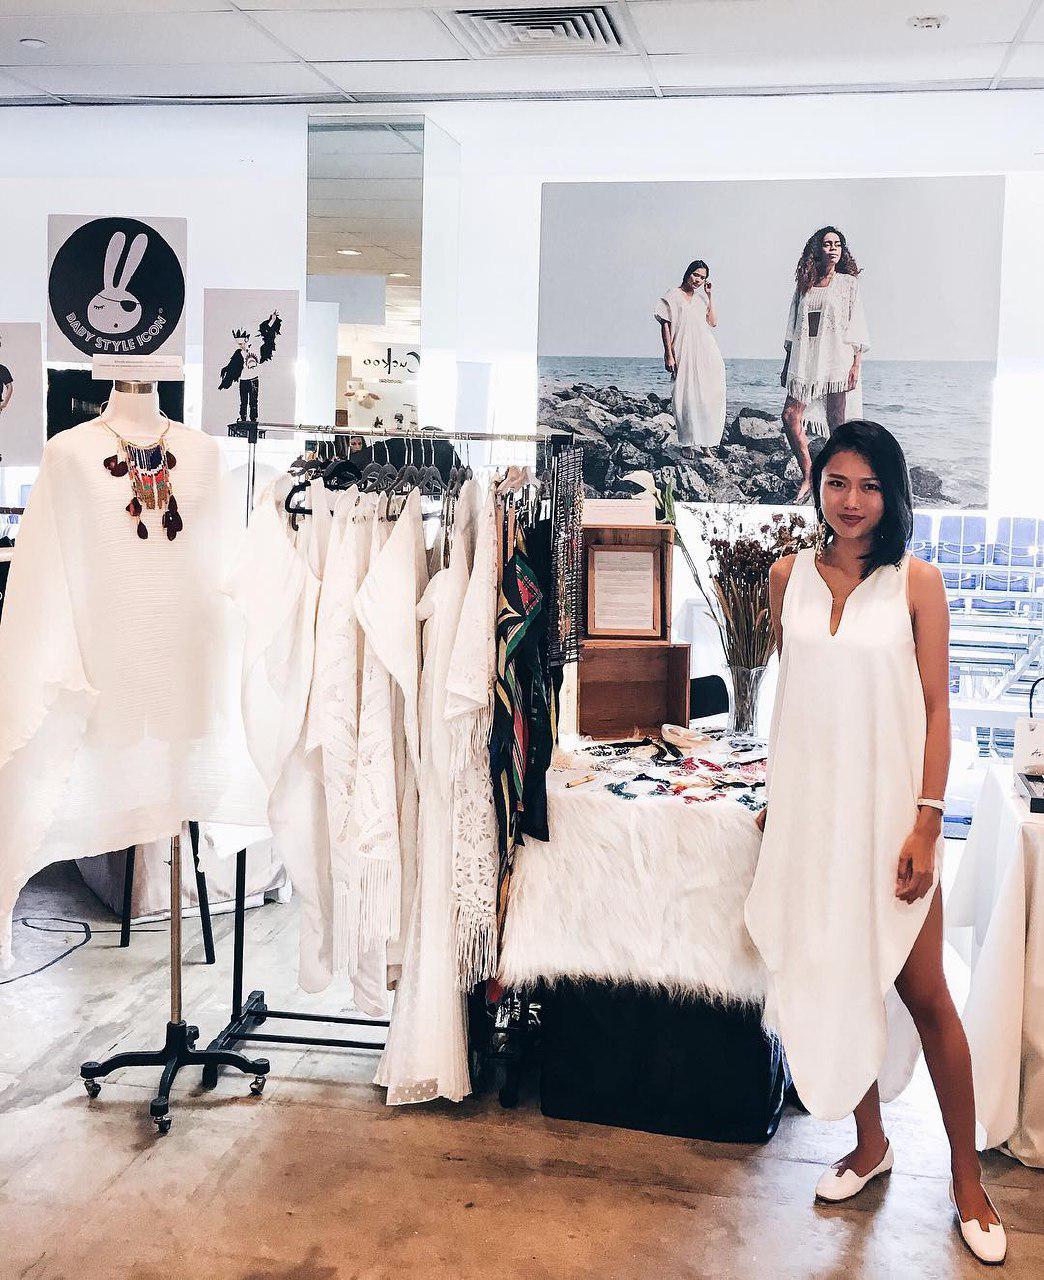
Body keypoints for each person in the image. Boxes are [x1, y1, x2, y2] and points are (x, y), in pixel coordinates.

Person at [744, 421, 1006, 1266]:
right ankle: (870, 1144)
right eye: (836, 483)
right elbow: (797, 700)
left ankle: (967, 1180)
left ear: (892, 494)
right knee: (834, 976)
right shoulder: (785, 576)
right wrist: (780, 800)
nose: (851, 501)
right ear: (817, 486)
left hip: (894, 823)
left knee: (927, 997)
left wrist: (928, 822)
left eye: (868, 485)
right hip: (816, 820)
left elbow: (936, 708)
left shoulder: (916, 583)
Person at [780, 227, 869, 502]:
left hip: (837, 359)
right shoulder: (805, 284)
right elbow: (793, 328)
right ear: (817, 249)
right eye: (827, 244)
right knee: (790, 416)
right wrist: (787, 364)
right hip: (806, 359)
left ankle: (838, 481)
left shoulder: (848, 284)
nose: (833, 248)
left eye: (837, 244)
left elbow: (857, 326)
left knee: (836, 424)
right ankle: (809, 475)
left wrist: (856, 365)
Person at [654, 259, 726, 450]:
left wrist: (709, 296)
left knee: (707, 396)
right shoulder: (672, 295)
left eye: (702, 278)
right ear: (688, 273)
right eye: (695, 275)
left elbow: (713, 323)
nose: (698, 280)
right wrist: (668, 354)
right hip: (682, 351)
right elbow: (665, 325)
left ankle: (706, 443)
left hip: (706, 352)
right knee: (684, 395)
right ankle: (687, 442)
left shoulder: (702, 299)